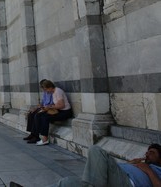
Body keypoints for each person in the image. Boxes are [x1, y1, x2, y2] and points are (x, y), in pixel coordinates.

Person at [32, 144, 161, 187]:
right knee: (67, 182)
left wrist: (148, 170)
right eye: (147, 151)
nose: (147, 154)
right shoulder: (140, 164)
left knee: (96, 150)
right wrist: (128, 164)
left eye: (152, 152)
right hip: (111, 180)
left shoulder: (157, 169)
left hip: (128, 183)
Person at [27, 79, 72, 145]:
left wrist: (50, 107)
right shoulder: (53, 92)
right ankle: (37, 136)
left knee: (45, 118)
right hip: (59, 111)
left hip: (65, 112)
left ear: (50, 87)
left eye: (46, 89)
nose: (46, 91)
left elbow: (62, 105)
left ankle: (45, 139)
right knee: (40, 115)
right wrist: (48, 107)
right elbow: (56, 105)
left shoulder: (58, 91)